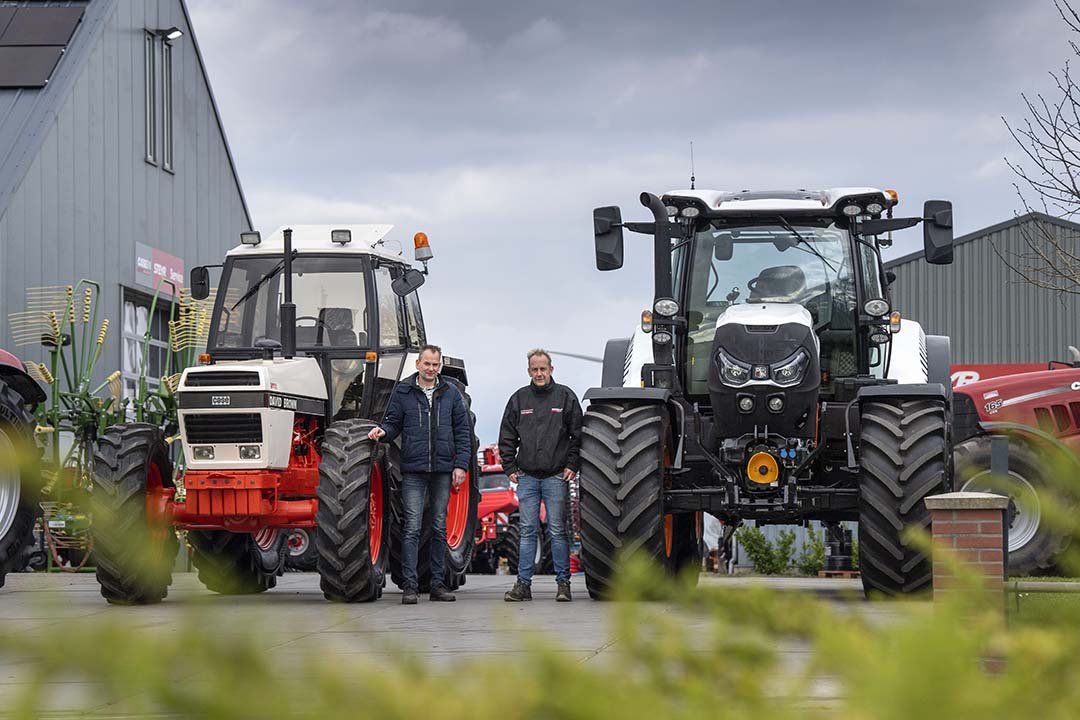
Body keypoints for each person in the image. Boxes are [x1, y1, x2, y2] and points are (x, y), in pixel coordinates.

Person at [368, 345, 471, 604]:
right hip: (413, 469)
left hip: (442, 470)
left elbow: (462, 431)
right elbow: (393, 422)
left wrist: (461, 466)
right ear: (418, 364)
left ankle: (437, 585)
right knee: (412, 528)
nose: (431, 368)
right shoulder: (403, 391)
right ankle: (410, 587)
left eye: (435, 364)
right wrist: (383, 432)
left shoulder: (450, 393)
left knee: (438, 528)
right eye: (427, 364)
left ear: (439, 366)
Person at [498, 349, 582, 602]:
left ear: (551, 369)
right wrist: (509, 467)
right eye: (534, 369)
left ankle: (563, 585)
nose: (539, 373)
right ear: (528, 371)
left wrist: (572, 465)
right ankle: (523, 585)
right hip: (527, 478)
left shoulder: (565, 397)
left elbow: (577, 435)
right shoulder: (519, 399)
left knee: (557, 530)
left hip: (556, 476)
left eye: (543, 369)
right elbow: (507, 436)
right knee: (527, 531)